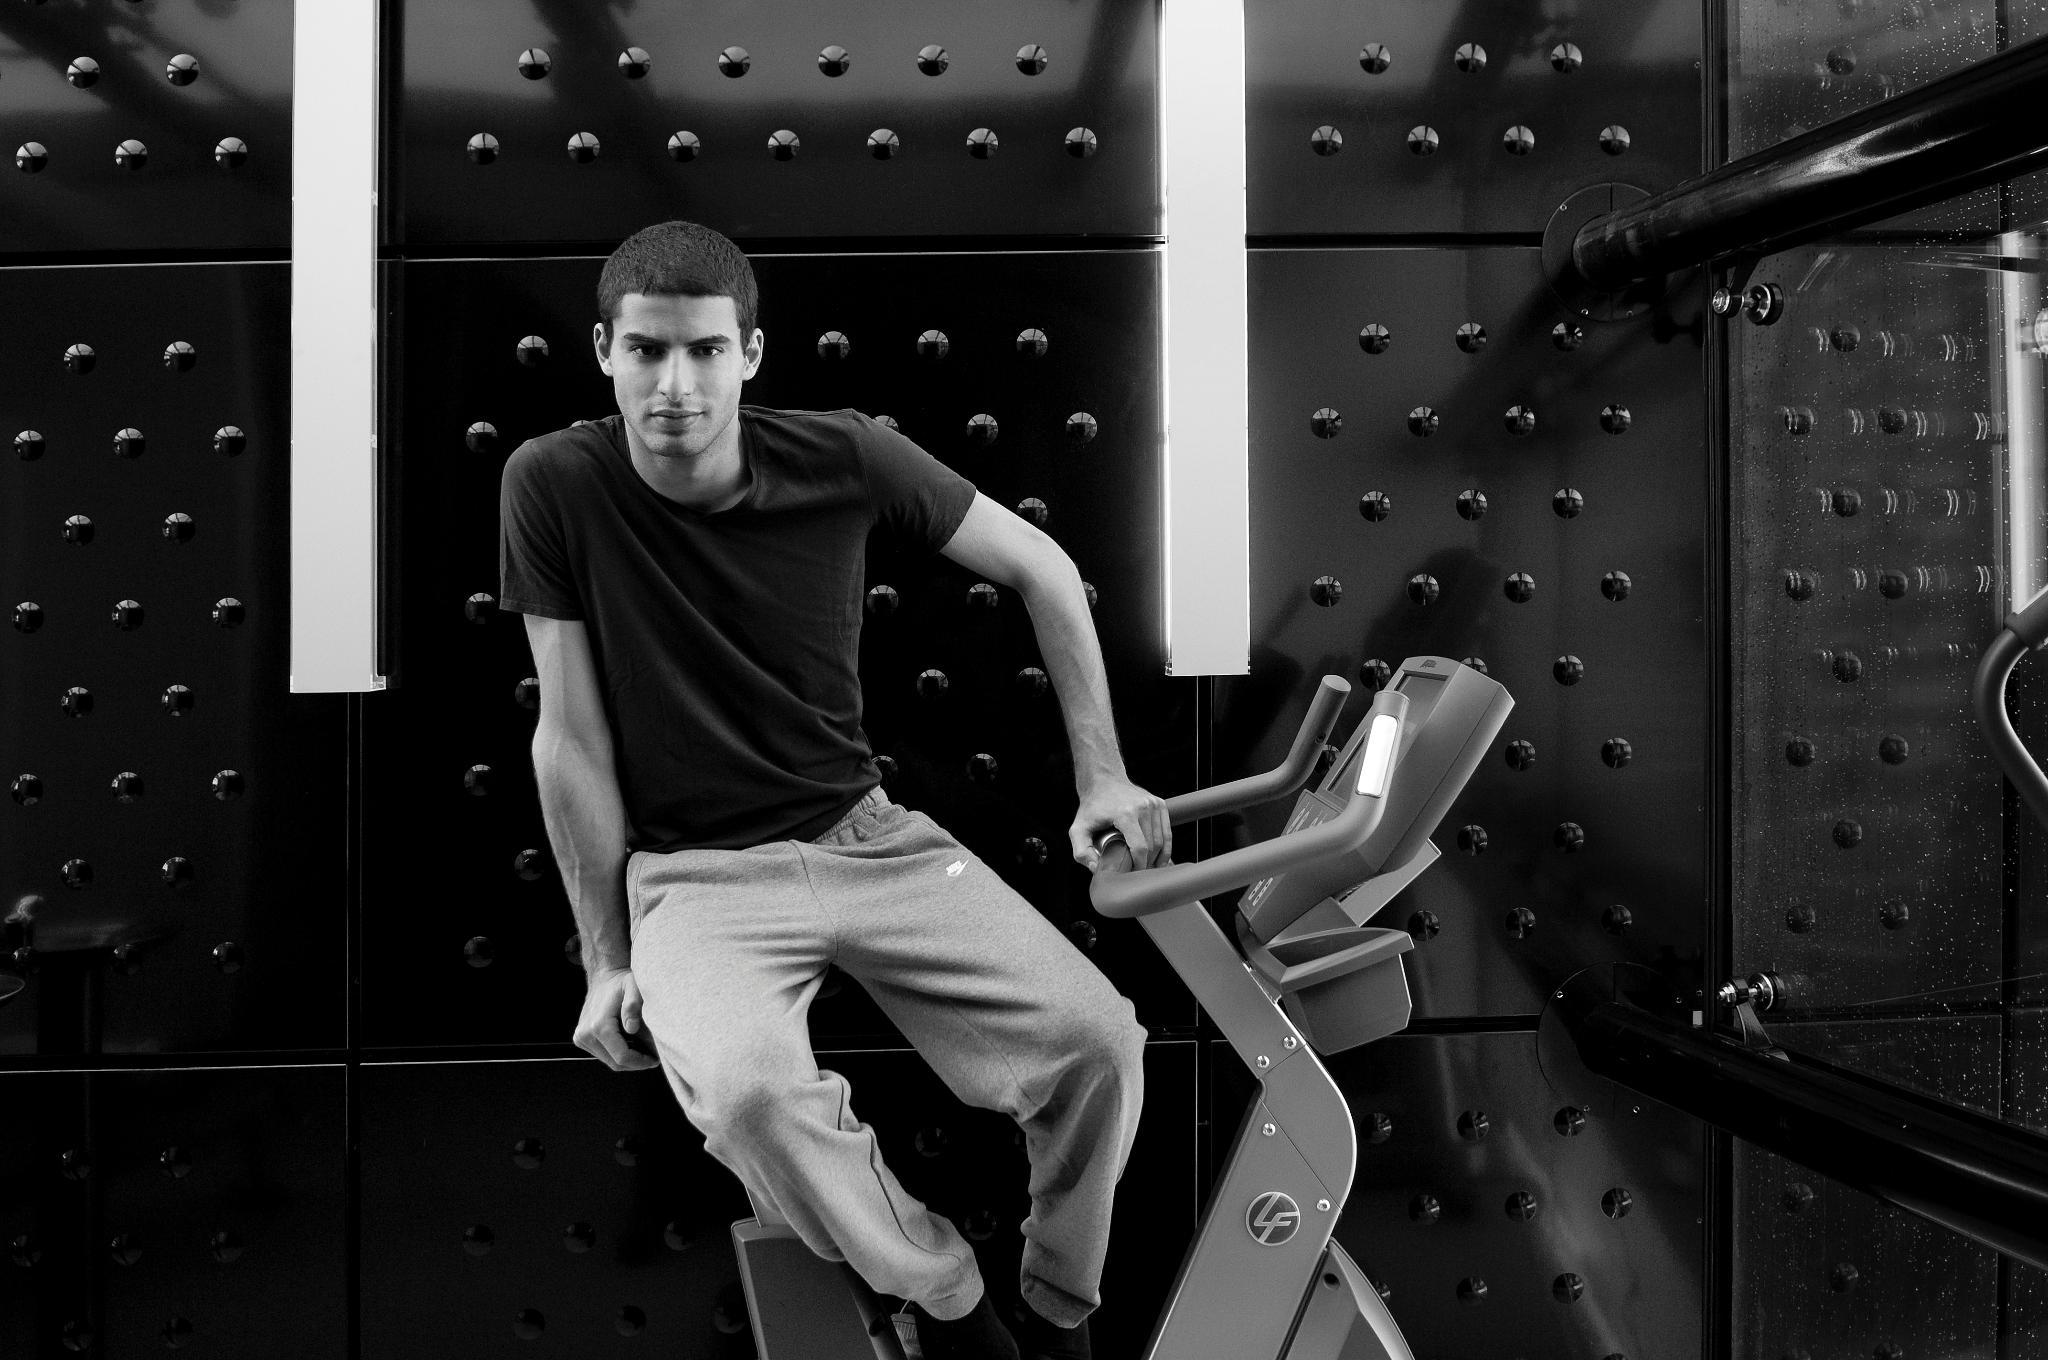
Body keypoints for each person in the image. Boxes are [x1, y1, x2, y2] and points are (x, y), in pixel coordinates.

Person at [498, 221, 1172, 1360]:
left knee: (1100, 1042)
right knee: (748, 1097)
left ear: (750, 355)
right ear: (605, 352)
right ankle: (951, 1307)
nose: (676, 384)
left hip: (866, 839)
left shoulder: (846, 454)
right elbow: (568, 737)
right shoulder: (554, 481)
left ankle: (1061, 1310)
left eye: (706, 350)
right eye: (647, 351)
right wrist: (606, 958)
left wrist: (1101, 772)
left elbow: (1042, 568)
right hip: (697, 880)